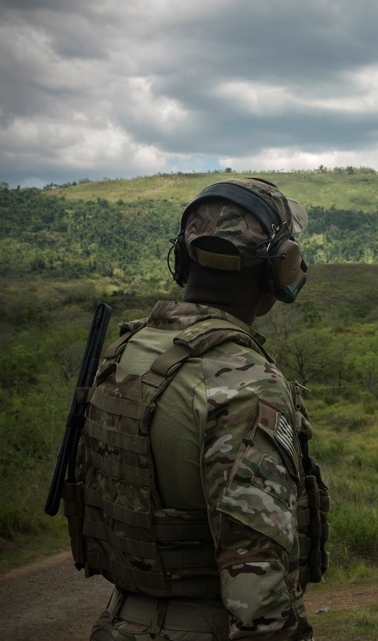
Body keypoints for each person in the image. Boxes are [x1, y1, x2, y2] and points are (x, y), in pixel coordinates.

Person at [67, 178, 328, 640]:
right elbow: (259, 593)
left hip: (116, 622)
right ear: (280, 269)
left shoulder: (124, 353)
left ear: (182, 260)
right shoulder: (244, 385)